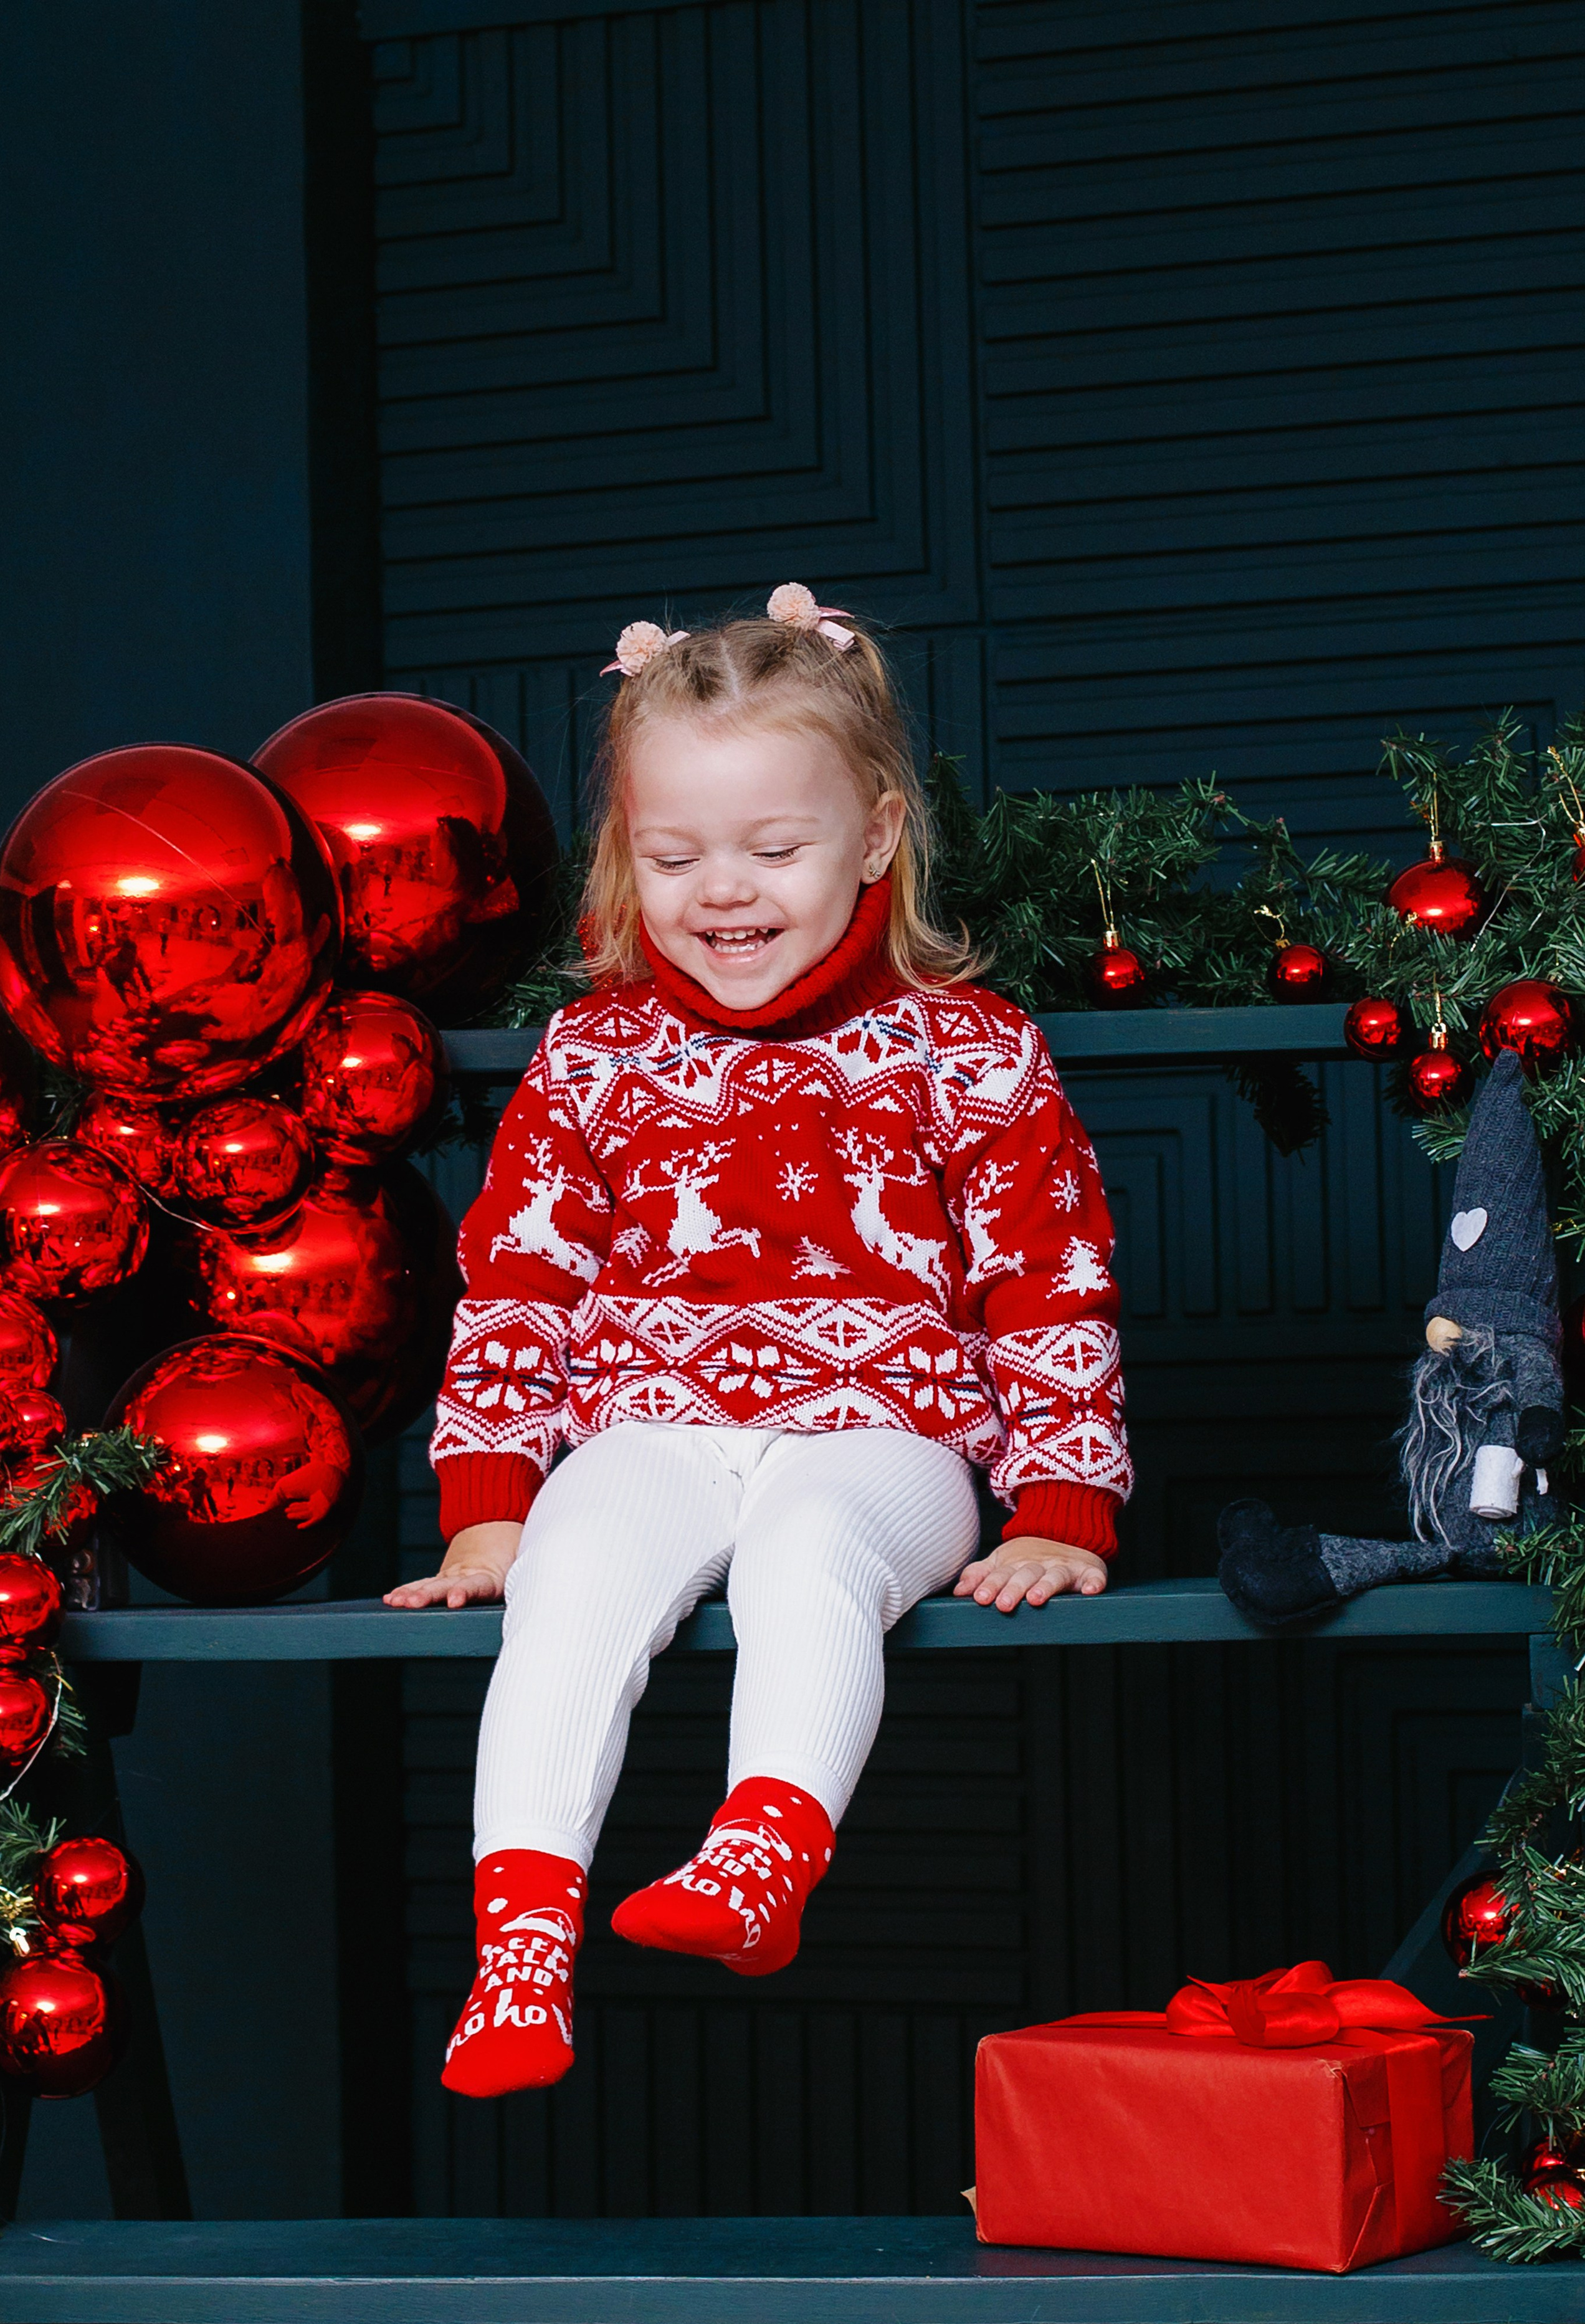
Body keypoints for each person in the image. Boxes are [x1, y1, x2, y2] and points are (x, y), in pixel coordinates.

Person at [384, 582, 1132, 2098]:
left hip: (888, 1437)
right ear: (623, 862)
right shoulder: (594, 1057)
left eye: (772, 849)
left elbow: (1048, 1280)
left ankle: (760, 1856)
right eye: (672, 856)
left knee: (808, 1564)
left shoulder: (965, 1051)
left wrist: (1059, 1506)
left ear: (870, 837)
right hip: (648, 1432)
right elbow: (516, 1285)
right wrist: (488, 1511)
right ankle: (522, 1953)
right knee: (567, 1583)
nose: (721, 889)